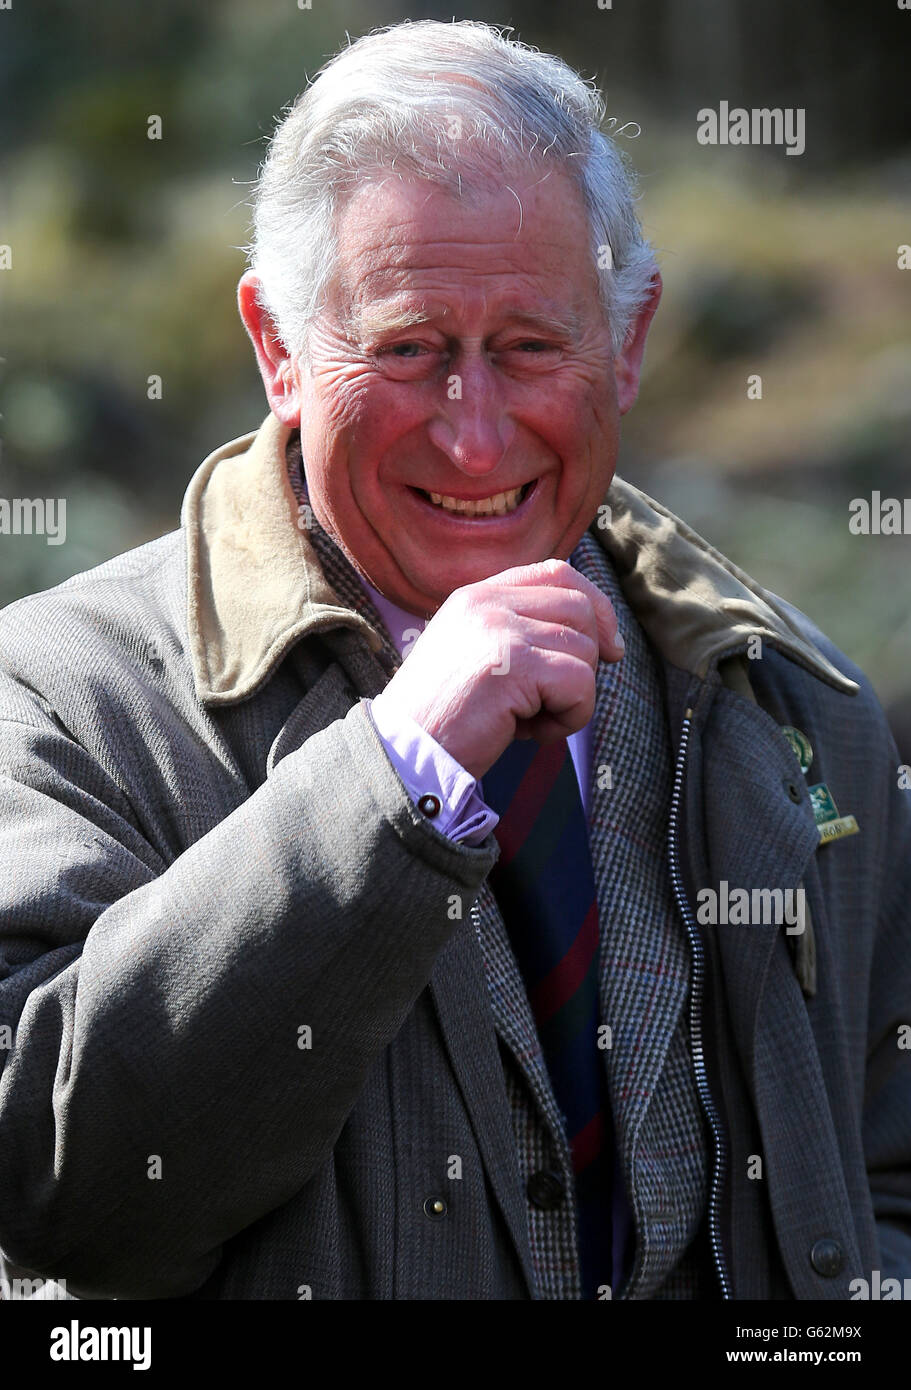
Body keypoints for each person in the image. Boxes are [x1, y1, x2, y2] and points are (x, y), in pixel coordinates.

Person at [0, 19, 909, 1303]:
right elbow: (58, 1191)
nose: (475, 439)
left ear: (629, 336)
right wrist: (392, 775)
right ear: (276, 349)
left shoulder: (797, 703)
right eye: (408, 348)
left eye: (532, 348)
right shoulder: (57, 692)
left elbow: (884, 1181)